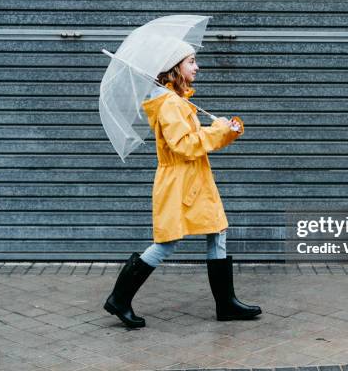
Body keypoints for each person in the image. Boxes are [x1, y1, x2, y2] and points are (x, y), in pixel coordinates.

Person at [103, 38, 262, 328]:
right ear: (174, 68)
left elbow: (194, 141)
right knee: (166, 243)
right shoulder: (168, 104)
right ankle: (119, 298)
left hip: (193, 179)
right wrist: (217, 130)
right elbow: (185, 145)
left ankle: (226, 304)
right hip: (179, 182)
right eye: (191, 61)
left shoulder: (177, 101)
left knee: (217, 230)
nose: (197, 66)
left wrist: (227, 132)